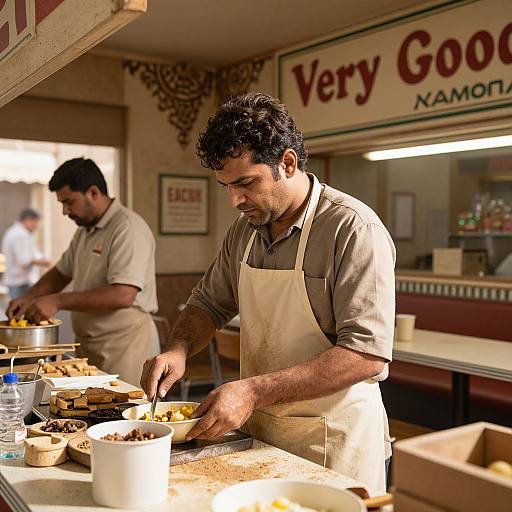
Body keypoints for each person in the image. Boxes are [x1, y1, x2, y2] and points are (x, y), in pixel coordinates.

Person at [141, 93, 395, 495]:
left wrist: (253, 390)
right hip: (259, 430)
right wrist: (178, 348)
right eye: (226, 186)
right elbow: (209, 303)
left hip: (331, 440)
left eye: (245, 183)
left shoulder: (353, 230)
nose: (234, 201)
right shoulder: (244, 231)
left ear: (287, 163)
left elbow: (365, 354)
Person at [6, 158, 159, 385]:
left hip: (126, 347)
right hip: (92, 344)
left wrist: (58, 301)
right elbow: (60, 272)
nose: (65, 211)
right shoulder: (85, 232)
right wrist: (30, 297)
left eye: (69, 202)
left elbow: (123, 294)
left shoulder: (127, 228)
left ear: (93, 192)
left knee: (126, 415)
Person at [1, 209, 51, 299]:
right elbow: (24, 260)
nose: (37, 226)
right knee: (20, 310)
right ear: (28, 220)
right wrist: (46, 262)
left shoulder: (18, 232)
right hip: (20, 283)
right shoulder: (20, 235)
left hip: (18, 282)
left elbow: (34, 254)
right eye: (36, 222)